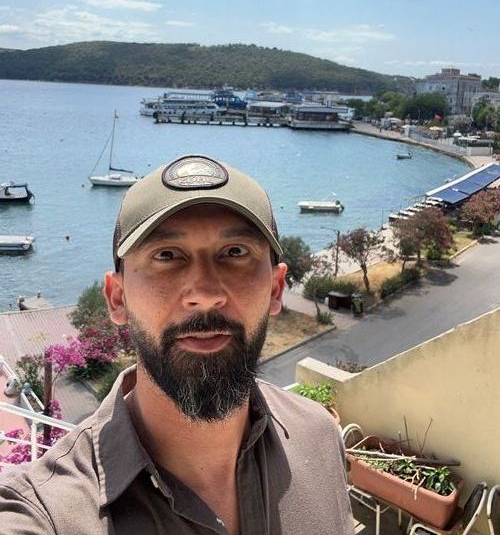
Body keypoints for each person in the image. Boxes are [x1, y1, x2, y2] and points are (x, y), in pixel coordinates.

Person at [0, 154, 354, 535]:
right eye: (166, 255)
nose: (205, 294)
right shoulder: (46, 513)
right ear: (118, 298)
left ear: (275, 288)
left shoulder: (320, 439)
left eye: (235, 252)